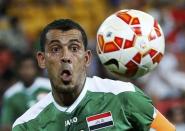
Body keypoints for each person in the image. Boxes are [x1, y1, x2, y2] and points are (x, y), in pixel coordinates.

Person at [12, 19, 175, 131]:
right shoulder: (27, 125)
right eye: (55, 49)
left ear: (87, 58)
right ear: (42, 60)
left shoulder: (124, 96)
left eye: (74, 48)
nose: (66, 56)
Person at [0, 53, 51, 131]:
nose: (26, 71)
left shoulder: (49, 87)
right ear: (17, 70)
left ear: (36, 69)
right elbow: (5, 125)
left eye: (30, 67)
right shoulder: (10, 94)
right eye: (23, 67)